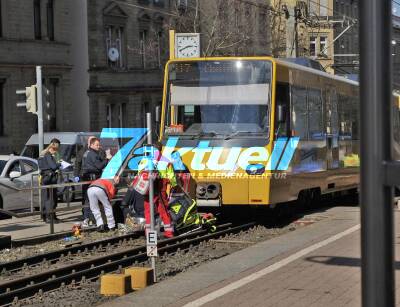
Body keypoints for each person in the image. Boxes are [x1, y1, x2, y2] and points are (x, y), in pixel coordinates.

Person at [138, 142, 177, 238]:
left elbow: (139, 172)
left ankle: (149, 233)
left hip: (147, 186)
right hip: (161, 187)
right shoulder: (166, 160)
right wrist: (173, 185)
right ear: (161, 149)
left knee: (148, 210)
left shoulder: (145, 159)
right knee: (163, 209)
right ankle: (169, 233)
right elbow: (172, 178)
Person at [81, 137, 108, 227]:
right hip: (92, 179)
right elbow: (99, 166)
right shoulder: (92, 154)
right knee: (91, 200)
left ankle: (87, 219)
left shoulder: (87, 152)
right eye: (97, 145)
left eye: (99, 145)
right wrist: (106, 159)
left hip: (87, 178)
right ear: (91, 145)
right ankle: (90, 219)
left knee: (88, 200)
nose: (98, 146)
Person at [74, 135, 96, 224]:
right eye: (92, 141)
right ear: (88, 142)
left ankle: (92, 215)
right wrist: (76, 175)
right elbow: (78, 163)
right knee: (86, 196)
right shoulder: (82, 151)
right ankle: (85, 215)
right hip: (86, 176)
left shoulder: (98, 150)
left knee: (94, 196)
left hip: (96, 177)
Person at [38, 141, 61, 223]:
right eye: (55, 150)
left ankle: (46, 216)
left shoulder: (42, 154)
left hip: (44, 178)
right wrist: (59, 164)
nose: (56, 152)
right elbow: (53, 166)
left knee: (46, 197)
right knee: (51, 198)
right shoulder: (48, 155)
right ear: (52, 148)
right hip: (50, 178)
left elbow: (41, 166)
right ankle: (50, 217)